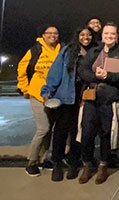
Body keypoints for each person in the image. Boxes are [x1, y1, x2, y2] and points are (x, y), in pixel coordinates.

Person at [77, 22, 119, 185]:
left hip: (109, 100)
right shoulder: (94, 51)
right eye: (106, 34)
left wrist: (108, 76)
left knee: (106, 134)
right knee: (86, 133)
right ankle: (87, 164)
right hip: (92, 99)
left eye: (112, 34)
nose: (109, 36)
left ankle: (103, 166)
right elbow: (82, 69)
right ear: (102, 35)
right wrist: (97, 76)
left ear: (116, 36)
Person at [40, 26, 96, 181]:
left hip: (84, 97)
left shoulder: (95, 52)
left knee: (78, 132)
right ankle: (56, 163)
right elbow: (55, 72)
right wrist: (47, 92)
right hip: (66, 97)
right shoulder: (67, 51)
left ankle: (73, 162)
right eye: (82, 34)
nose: (86, 37)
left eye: (89, 35)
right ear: (77, 36)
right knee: (61, 131)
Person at [17, 25, 62, 177]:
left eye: (55, 33)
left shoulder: (61, 50)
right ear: (43, 35)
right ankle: (31, 162)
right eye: (49, 33)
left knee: (50, 130)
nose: (53, 36)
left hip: (54, 96)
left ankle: (43, 159)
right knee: (43, 128)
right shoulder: (35, 50)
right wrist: (25, 89)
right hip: (37, 94)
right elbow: (22, 69)